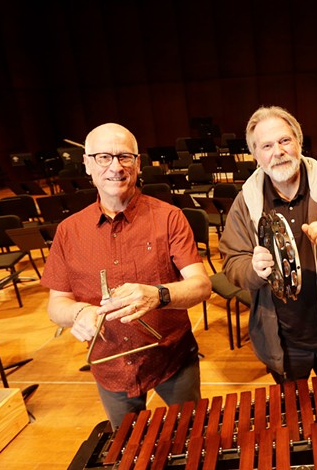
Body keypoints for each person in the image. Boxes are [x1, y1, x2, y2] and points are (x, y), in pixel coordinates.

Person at [41, 123, 211, 427]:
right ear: (87, 164)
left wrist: (158, 295)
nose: (115, 168)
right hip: (111, 368)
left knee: (193, 434)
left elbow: (200, 286)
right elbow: (57, 304)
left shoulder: (169, 217)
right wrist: (78, 312)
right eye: (104, 157)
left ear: (138, 163)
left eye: (125, 157)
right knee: (129, 448)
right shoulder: (68, 232)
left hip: (172, 358)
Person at [219, 106, 317, 383]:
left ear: (298, 142)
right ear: (256, 155)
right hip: (283, 343)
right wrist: (254, 270)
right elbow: (233, 262)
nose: (277, 152)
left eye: (284, 141)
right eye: (266, 146)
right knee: (297, 420)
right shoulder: (246, 201)